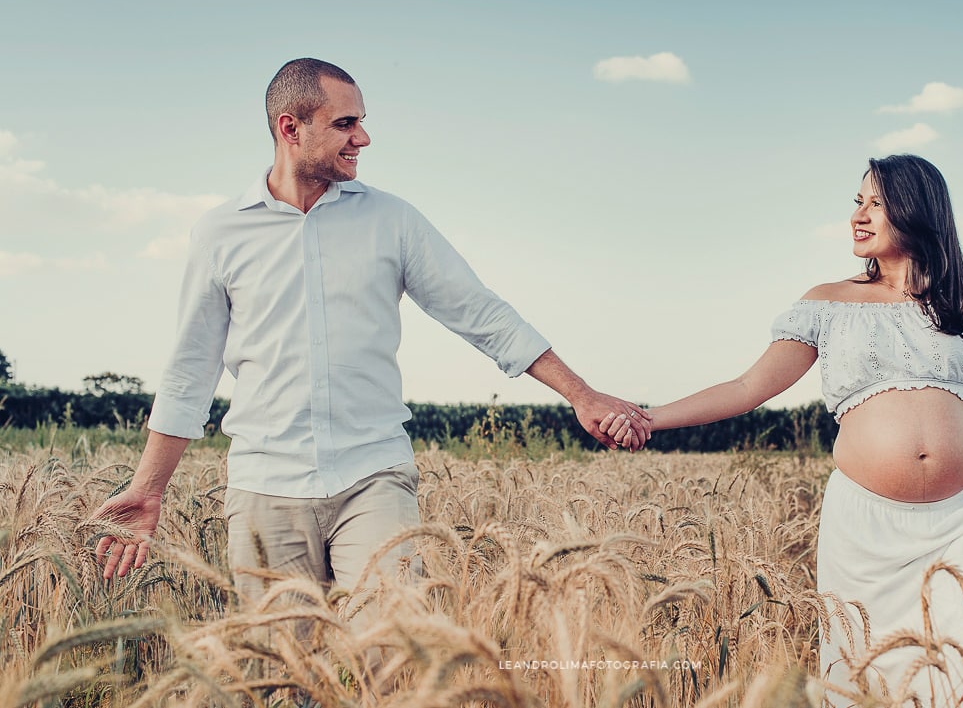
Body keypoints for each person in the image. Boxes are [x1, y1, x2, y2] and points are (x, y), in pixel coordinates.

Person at [91, 58, 650, 610]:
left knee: (393, 656)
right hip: (265, 484)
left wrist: (580, 393)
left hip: (372, 475)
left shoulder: (394, 221)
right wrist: (149, 488)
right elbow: (192, 365)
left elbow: (481, 313)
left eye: (361, 121)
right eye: (345, 124)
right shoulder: (220, 233)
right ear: (291, 127)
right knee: (279, 676)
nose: (363, 137)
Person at [601, 155, 963, 707]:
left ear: (918, 210)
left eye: (875, 203)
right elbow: (747, 388)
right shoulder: (829, 303)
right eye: (857, 202)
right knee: (867, 681)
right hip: (867, 534)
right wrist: (650, 416)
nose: (858, 215)